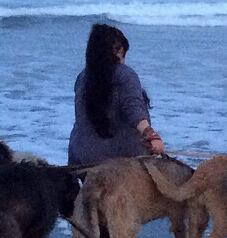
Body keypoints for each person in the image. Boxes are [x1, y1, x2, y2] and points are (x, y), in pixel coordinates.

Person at [67, 23, 165, 167]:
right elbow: (134, 109)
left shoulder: (82, 77)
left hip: (81, 157)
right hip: (120, 160)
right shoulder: (125, 74)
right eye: (121, 51)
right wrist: (152, 137)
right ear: (116, 50)